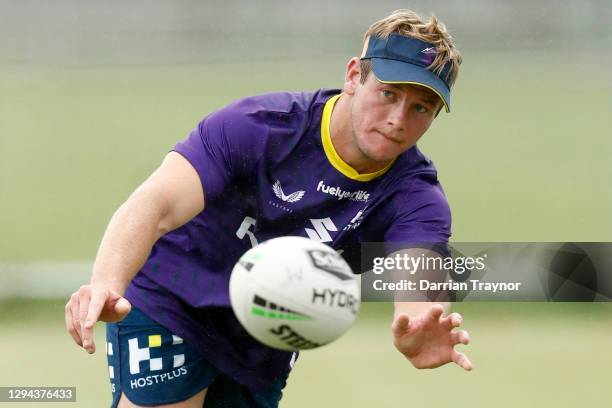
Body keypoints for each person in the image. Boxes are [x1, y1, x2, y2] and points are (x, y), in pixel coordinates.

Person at [65, 9, 471, 408]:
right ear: (353, 76)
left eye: (421, 107)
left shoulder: (417, 199)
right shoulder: (258, 127)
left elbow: (419, 281)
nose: (399, 119)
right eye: (389, 94)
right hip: (173, 302)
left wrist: (419, 325)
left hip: (267, 338)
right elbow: (155, 204)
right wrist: (106, 283)